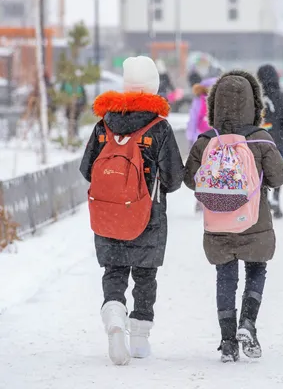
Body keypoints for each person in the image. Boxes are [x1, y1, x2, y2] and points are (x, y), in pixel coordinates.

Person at [79, 56, 184, 365]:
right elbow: (175, 178)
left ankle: (113, 311)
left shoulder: (104, 124)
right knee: (144, 274)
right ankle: (139, 338)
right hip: (146, 215)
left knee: (114, 270)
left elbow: (87, 169)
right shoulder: (159, 126)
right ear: (153, 86)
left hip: (108, 212)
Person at [184, 70, 283, 362]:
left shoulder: (206, 140)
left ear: (214, 104)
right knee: (257, 270)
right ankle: (248, 323)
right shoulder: (260, 139)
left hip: (218, 225)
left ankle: (228, 341)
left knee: (225, 277)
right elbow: (280, 177)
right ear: (253, 104)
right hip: (255, 222)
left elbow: (190, 179)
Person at [257, 64, 283, 219]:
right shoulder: (282, 97)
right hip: (278, 142)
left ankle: (264, 198)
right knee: (277, 171)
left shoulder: (255, 96)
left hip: (258, 140)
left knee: (260, 171)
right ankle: (275, 195)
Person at [186, 76, 217, 212]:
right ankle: (206, 198)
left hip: (202, 139)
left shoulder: (199, 101)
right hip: (213, 140)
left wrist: (190, 137)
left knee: (202, 171)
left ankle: (202, 199)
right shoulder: (217, 101)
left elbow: (193, 120)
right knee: (212, 171)